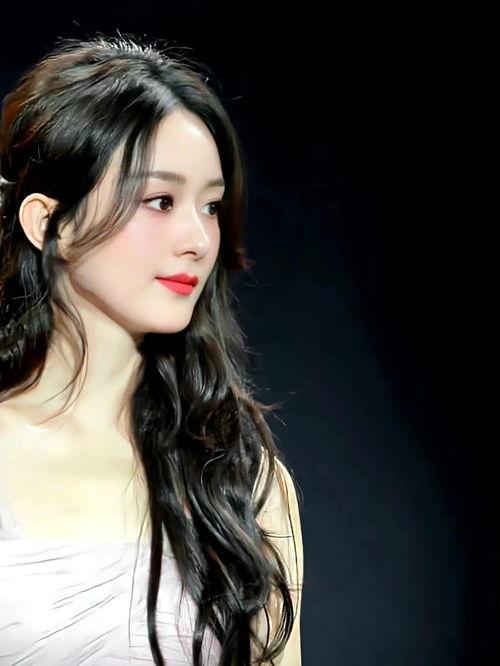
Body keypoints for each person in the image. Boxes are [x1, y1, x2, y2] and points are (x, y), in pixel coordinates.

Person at [0, 33, 303, 665]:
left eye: (211, 206)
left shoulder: (240, 479)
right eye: (160, 201)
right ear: (49, 222)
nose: (198, 239)